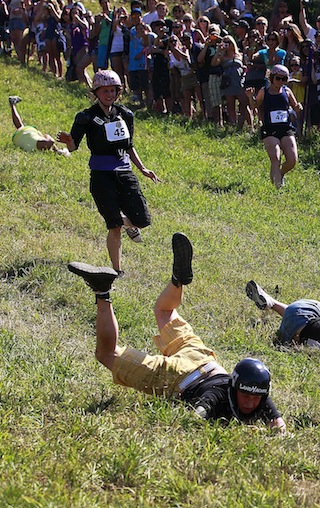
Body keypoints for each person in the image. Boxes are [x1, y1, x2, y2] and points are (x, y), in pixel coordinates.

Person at [67, 233, 286, 429]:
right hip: (177, 376)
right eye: (245, 396)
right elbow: (197, 416)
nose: (249, 402)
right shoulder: (218, 397)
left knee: (164, 311)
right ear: (235, 386)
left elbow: (278, 424)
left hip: (202, 358)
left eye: (254, 398)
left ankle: (177, 281)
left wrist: (276, 428)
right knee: (107, 354)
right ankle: (102, 290)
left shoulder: (256, 391)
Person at [57, 70, 159, 273]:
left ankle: (126, 223)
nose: (109, 95)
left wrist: (143, 168)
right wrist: (69, 141)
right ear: (96, 92)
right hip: (101, 174)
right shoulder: (85, 117)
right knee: (114, 227)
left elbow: (129, 145)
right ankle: (117, 270)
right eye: (105, 91)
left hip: (124, 171)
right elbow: (73, 147)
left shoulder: (125, 114)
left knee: (142, 220)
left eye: (113, 90)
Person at [255, 64, 302, 188]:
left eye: (284, 79)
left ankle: (279, 174)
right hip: (270, 129)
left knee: (292, 160)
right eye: (278, 78)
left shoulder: (287, 91)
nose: (281, 81)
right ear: (271, 78)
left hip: (286, 128)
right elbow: (255, 105)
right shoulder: (264, 91)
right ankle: (277, 188)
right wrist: (250, 98)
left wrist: (298, 108)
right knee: (275, 157)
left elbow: (295, 107)